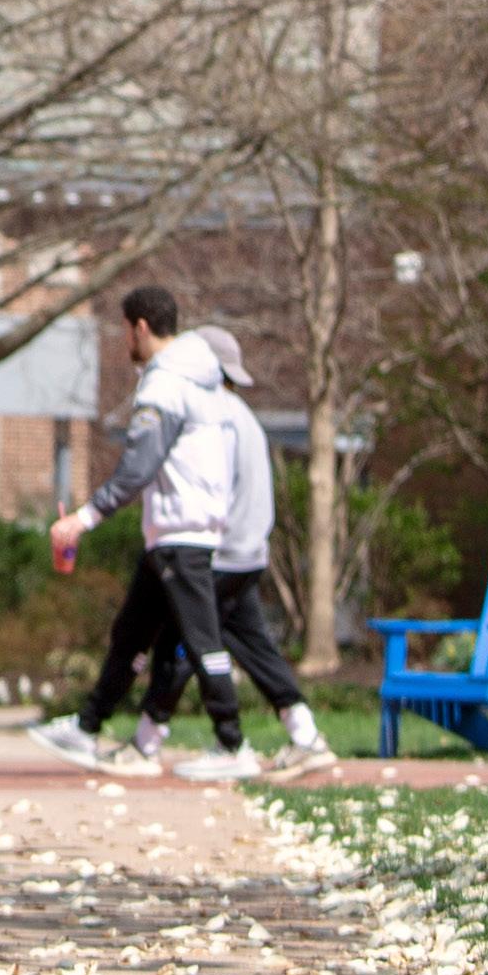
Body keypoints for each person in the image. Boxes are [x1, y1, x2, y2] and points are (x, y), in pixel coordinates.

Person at [29, 285, 259, 781]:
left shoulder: (164, 385)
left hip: (183, 534)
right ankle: (87, 728)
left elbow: (137, 467)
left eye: (124, 332)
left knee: (201, 642)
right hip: (176, 533)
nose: (123, 343)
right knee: (130, 633)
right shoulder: (200, 379)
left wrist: (82, 518)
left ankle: (233, 744)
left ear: (139, 327)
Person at [135, 325, 336, 777]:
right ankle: (305, 735)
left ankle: (198, 743)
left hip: (218, 553)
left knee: (181, 644)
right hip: (248, 552)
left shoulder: (211, 416)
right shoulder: (242, 415)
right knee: (251, 646)